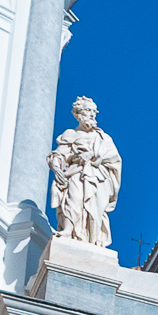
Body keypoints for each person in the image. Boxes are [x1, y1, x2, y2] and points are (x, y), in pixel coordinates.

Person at [48, 96, 121, 249]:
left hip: (98, 177)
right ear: (78, 113)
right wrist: (56, 165)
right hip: (77, 173)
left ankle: (92, 239)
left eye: (94, 111)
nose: (92, 115)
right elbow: (60, 154)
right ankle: (69, 230)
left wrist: (94, 156)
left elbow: (114, 158)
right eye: (88, 111)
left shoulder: (103, 138)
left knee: (96, 209)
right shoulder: (71, 134)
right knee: (74, 199)